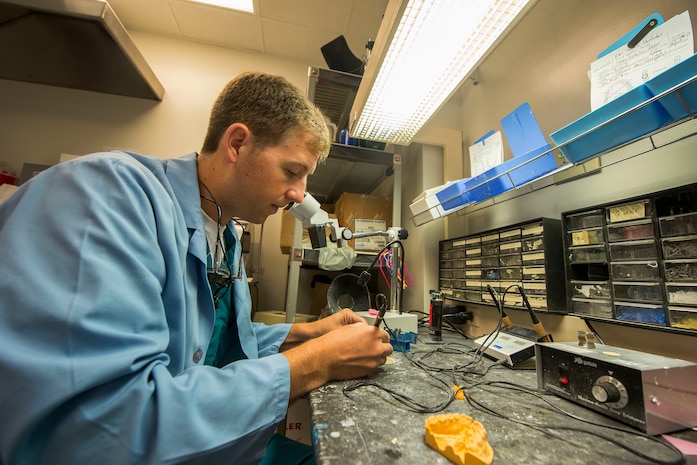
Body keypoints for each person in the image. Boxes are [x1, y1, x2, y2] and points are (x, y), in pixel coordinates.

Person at [0, 72, 394, 465]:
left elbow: (209, 341)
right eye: (292, 172)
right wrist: (316, 361)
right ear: (237, 143)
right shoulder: (108, 195)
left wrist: (306, 333)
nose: (298, 195)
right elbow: (103, 428)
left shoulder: (225, 235)